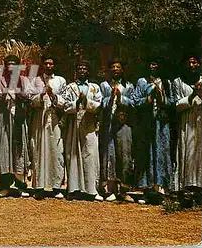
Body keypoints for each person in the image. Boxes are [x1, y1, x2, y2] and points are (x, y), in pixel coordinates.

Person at [62, 61, 103, 201]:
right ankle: (73, 188)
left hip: (89, 124)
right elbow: (65, 105)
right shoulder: (70, 87)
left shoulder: (94, 87)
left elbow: (99, 104)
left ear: (88, 71)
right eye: (79, 67)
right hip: (74, 124)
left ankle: (91, 189)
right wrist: (76, 103)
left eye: (85, 68)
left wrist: (86, 102)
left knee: (90, 155)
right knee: (73, 155)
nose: (82, 70)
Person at [133, 58, 174, 199]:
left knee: (162, 151)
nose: (153, 66)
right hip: (146, 123)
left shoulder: (166, 82)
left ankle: (162, 187)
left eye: (156, 63)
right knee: (147, 153)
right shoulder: (142, 82)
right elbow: (135, 101)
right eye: (151, 63)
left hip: (162, 124)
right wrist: (147, 100)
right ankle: (148, 188)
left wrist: (162, 98)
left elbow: (172, 101)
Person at [0, 54, 31, 197]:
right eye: (9, 64)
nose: (11, 67)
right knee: (5, 151)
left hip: (19, 120)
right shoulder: (0, 81)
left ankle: (20, 185)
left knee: (19, 151)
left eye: (14, 64)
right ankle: (5, 186)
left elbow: (29, 98)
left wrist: (17, 93)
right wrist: (5, 93)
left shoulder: (24, 81)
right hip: (4, 120)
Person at [28, 55, 67, 199]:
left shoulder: (60, 81)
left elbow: (65, 100)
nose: (49, 66)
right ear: (42, 65)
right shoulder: (35, 81)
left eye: (51, 64)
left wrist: (53, 96)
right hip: (40, 120)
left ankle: (56, 186)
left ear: (54, 65)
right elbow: (30, 99)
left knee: (56, 151)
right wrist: (41, 95)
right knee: (39, 151)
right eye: (46, 64)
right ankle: (39, 186)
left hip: (55, 119)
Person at [99, 58, 135, 202]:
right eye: (112, 66)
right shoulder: (104, 85)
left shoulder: (129, 86)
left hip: (124, 124)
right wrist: (111, 97)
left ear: (122, 70)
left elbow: (134, 102)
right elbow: (99, 101)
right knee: (110, 155)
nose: (115, 69)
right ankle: (111, 190)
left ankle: (124, 190)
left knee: (125, 155)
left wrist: (121, 98)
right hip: (108, 124)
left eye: (118, 67)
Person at [173, 54, 202, 197]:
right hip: (186, 122)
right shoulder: (178, 82)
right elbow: (177, 105)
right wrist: (192, 96)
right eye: (189, 63)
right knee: (187, 151)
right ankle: (187, 186)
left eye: (195, 62)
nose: (191, 66)